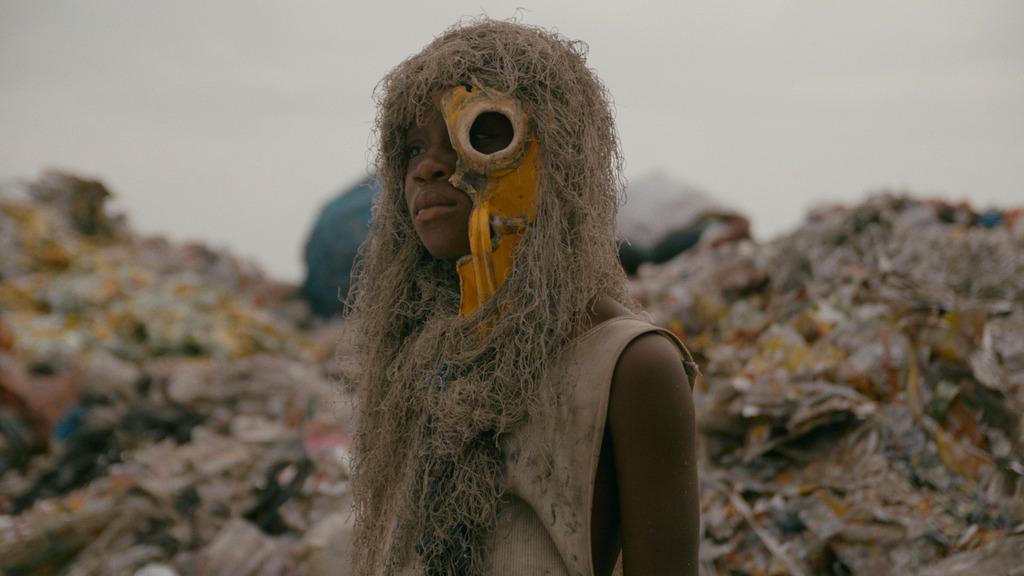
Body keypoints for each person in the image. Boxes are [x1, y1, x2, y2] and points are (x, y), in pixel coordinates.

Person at [343, 18, 700, 576]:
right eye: (412, 148)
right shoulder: (421, 357)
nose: (427, 167)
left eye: (480, 133)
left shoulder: (630, 365)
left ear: (557, 157)